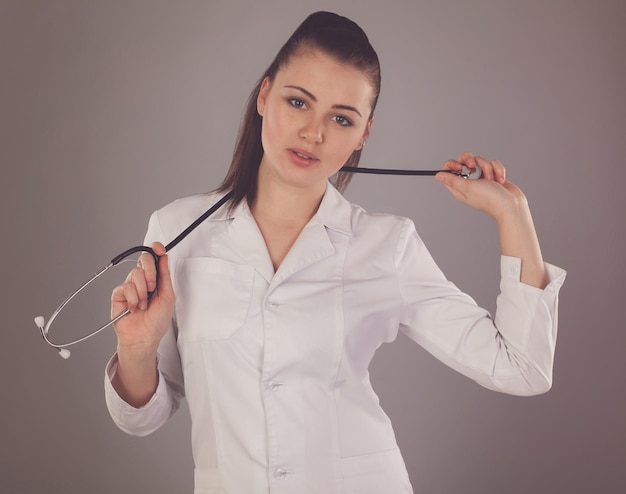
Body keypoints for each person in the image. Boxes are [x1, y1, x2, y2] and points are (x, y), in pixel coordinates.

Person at [104, 11, 566, 494]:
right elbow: (142, 420)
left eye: (342, 118)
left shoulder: (386, 245)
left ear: (364, 132)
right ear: (264, 96)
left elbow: (522, 370)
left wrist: (513, 214)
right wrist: (135, 353)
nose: (314, 133)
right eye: (298, 102)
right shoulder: (176, 232)